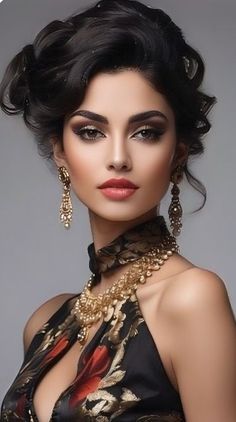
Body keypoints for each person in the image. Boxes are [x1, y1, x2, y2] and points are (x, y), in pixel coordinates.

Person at [0, 0, 235, 420]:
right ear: (61, 153)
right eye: (90, 132)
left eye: (146, 132)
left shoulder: (191, 299)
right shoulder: (45, 323)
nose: (119, 157)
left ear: (177, 154)